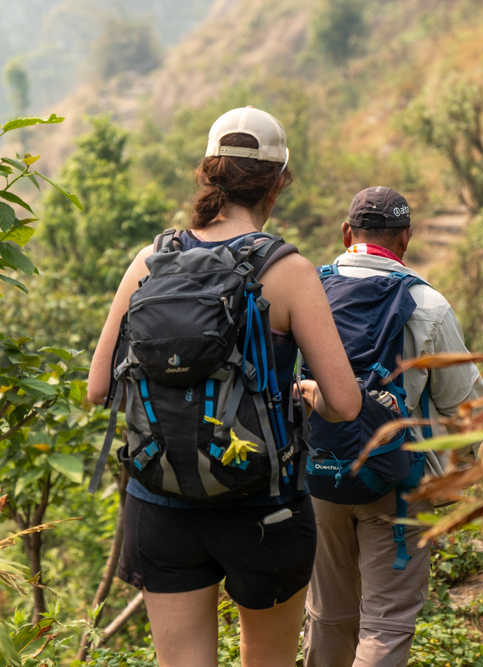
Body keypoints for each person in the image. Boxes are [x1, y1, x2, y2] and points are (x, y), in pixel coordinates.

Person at [86, 106, 361, 667]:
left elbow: (97, 388)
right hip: (264, 509)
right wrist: (305, 396)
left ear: (208, 172)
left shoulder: (150, 261)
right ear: (279, 183)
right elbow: (346, 402)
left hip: (160, 502)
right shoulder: (288, 271)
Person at [301, 186, 483, 667]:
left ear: (347, 234)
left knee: (327, 615)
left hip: (319, 475)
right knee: (386, 624)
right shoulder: (427, 305)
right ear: (405, 238)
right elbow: (464, 404)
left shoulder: (309, 292)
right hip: (398, 485)